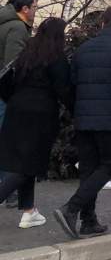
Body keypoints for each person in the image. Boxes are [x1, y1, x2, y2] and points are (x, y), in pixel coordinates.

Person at [54, 5, 111, 240]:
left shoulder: (84, 49)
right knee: (110, 165)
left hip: (84, 117)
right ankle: (71, 208)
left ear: (102, 23)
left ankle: (89, 221)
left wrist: (78, 110)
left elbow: (72, 85)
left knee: (89, 169)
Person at [0, 17, 72, 228]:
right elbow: (64, 90)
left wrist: (13, 100)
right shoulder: (57, 58)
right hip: (40, 114)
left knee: (24, 162)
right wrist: (76, 110)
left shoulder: (26, 54)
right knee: (26, 165)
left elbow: (6, 81)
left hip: (16, 110)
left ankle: (29, 211)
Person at [0, 0, 36, 208]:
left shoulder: (6, 23)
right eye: (34, 6)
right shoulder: (17, 28)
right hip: (4, 92)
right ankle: (7, 187)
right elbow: (14, 65)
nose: (35, 10)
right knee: (7, 138)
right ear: (24, 9)